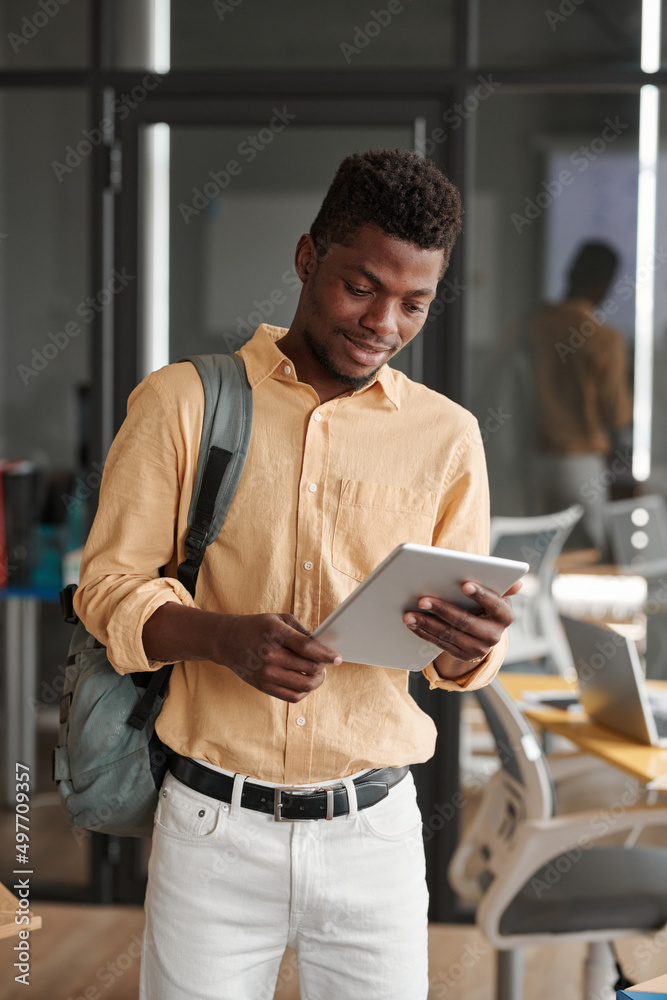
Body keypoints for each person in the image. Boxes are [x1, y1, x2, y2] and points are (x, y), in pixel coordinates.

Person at [75, 149, 516, 1000]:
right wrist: (220, 638)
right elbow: (107, 589)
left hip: (375, 835)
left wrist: (471, 646)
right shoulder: (182, 402)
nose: (383, 322)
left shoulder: (448, 436)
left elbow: (456, 664)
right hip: (211, 829)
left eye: (413, 303)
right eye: (361, 287)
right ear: (307, 257)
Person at [530, 241, 633, 551]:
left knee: (534, 554)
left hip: (529, 460)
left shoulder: (529, 326)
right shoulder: (604, 339)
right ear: (604, 286)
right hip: (579, 463)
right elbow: (617, 413)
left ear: (570, 273)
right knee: (587, 552)